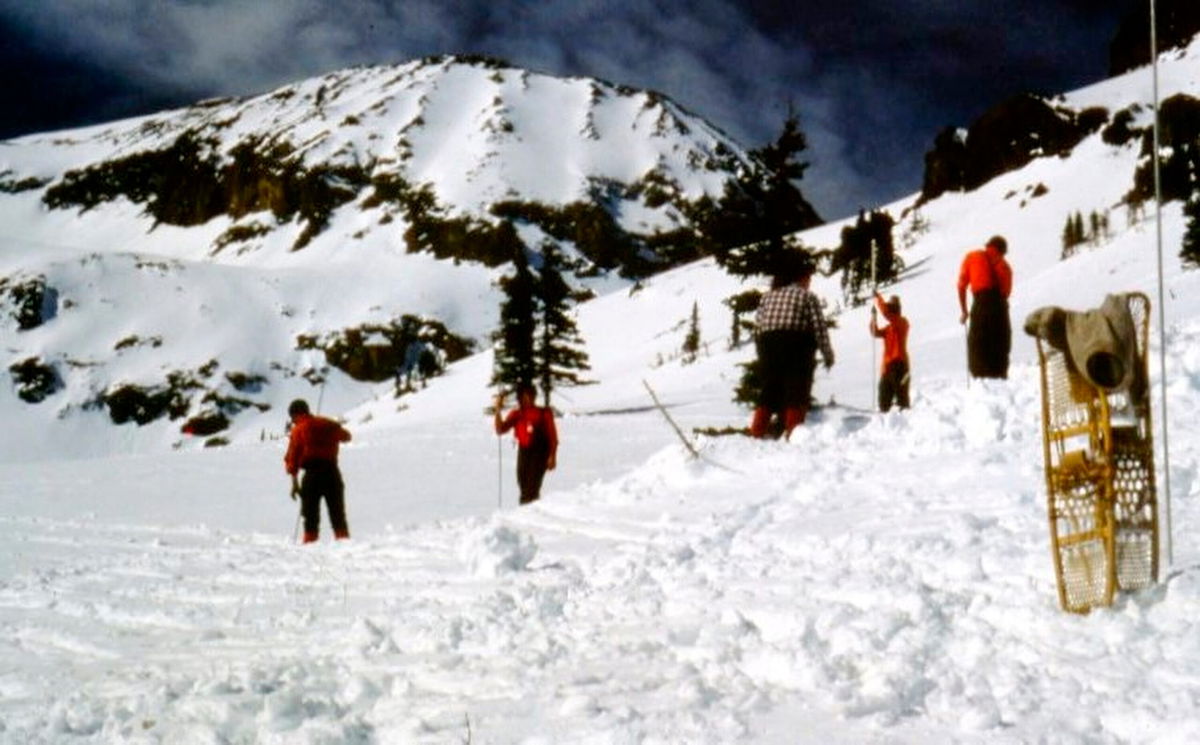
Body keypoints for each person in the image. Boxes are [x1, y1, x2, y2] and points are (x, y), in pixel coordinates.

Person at [750, 256, 834, 439]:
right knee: (797, 390)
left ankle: (756, 432)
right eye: (808, 279)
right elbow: (819, 328)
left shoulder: (768, 296)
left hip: (767, 344)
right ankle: (793, 434)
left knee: (769, 389)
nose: (809, 283)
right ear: (801, 278)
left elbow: (758, 326)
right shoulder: (806, 296)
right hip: (796, 343)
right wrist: (827, 354)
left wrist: (762, 353)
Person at [284, 398, 352, 543]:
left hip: (312, 476)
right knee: (338, 514)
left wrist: (295, 483)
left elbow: (292, 459)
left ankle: (309, 546)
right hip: (332, 473)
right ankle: (345, 544)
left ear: (296, 414)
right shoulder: (328, 424)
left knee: (310, 515)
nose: (293, 422)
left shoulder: (298, 430)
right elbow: (347, 436)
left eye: (292, 418)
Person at [957, 235, 1013, 379]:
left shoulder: (972, 256)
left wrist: (964, 311)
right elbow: (1006, 291)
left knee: (978, 341)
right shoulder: (1005, 266)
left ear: (988, 245)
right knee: (1001, 340)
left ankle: (979, 375)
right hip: (1000, 305)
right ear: (1002, 250)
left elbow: (961, 285)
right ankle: (1000, 374)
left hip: (981, 302)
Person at [494, 383, 558, 505]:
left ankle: (529, 513)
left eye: (531, 395)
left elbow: (553, 437)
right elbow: (500, 429)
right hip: (524, 451)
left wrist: (552, 456)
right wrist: (497, 410)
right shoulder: (517, 414)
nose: (528, 399)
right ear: (520, 398)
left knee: (532, 487)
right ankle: (526, 512)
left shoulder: (544, 413)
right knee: (523, 484)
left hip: (540, 452)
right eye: (524, 396)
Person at [870, 291, 910, 411]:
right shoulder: (889, 328)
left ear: (897, 309)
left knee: (902, 401)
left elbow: (887, 313)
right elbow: (875, 332)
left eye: (892, 307)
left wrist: (878, 298)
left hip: (900, 367)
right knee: (883, 400)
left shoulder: (902, 323)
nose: (889, 309)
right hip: (887, 368)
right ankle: (885, 424)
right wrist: (874, 318)